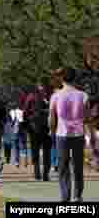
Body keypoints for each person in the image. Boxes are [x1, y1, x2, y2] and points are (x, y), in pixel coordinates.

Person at [51, 67, 88, 202]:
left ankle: (65, 196)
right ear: (74, 78)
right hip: (78, 134)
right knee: (78, 166)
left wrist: (52, 131)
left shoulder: (56, 95)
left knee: (63, 167)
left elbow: (52, 118)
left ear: (62, 78)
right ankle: (77, 195)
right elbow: (87, 117)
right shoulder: (83, 95)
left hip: (62, 134)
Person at [27, 82, 53, 182]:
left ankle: (44, 173)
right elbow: (25, 111)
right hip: (36, 128)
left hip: (44, 128)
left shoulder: (49, 97)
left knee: (45, 151)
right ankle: (38, 173)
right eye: (40, 86)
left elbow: (26, 111)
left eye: (43, 86)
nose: (42, 88)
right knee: (37, 151)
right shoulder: (33, 97)